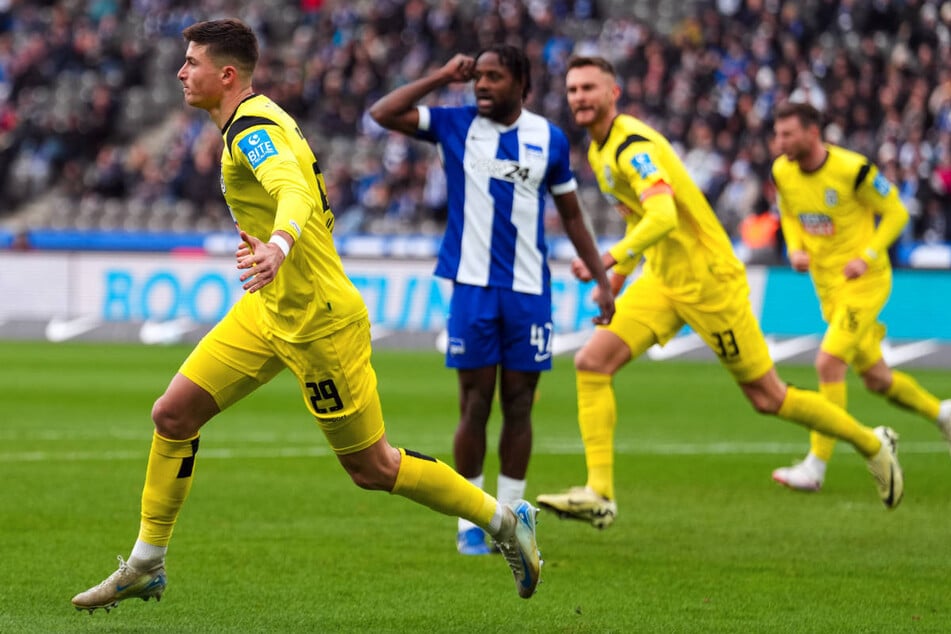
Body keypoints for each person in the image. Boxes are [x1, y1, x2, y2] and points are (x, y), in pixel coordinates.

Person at [70, 19, 542, 612]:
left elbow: (291, 190)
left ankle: (504, 521)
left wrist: (279, 246)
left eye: (191, 62)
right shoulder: (259, 116)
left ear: (227, 74)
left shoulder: (252, 131)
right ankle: (146, 563)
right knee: (172, 414)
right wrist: (272, 250)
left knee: (373, 467)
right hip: (269, 310)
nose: (180, 72)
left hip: (318, 323)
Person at [534, 56, 905, 529]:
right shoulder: (597, 151)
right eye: (573, 90)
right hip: (663, 280)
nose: (580, 97)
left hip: (710, 283)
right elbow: (638, 217)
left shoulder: (632, 146)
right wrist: (621, 275)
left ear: (614, 93)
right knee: (592, 363)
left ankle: (872, 442)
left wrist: (605, 259)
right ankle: (600, 493)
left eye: (589, 88)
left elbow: (664, 215)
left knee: (768, 397)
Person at [369, 46, 614, 555]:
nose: (481, 84)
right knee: (475, 404)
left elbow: (570, 214)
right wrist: (441, 73)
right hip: (472, 288)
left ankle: (512, 515)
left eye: (494, 77)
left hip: (529, 291)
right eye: (477, 76)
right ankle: (469, 522)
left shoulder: (548, 138)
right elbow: (383, 113)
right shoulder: (454, 123)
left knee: (519, 405)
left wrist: (603, 278)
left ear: (521, 84)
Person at [769, 100, 951, 492]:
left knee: (828, 363)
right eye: (777, 133)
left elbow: (898, 213)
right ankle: (942, 414)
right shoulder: (782, 171)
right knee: (877, 379)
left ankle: (815, 466)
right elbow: (787, 211)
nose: (778, 141)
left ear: (812, 133)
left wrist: (867, 257)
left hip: (865, 284)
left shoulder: (854, 170)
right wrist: (793, 246)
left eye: (787, 133)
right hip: (828, 287)